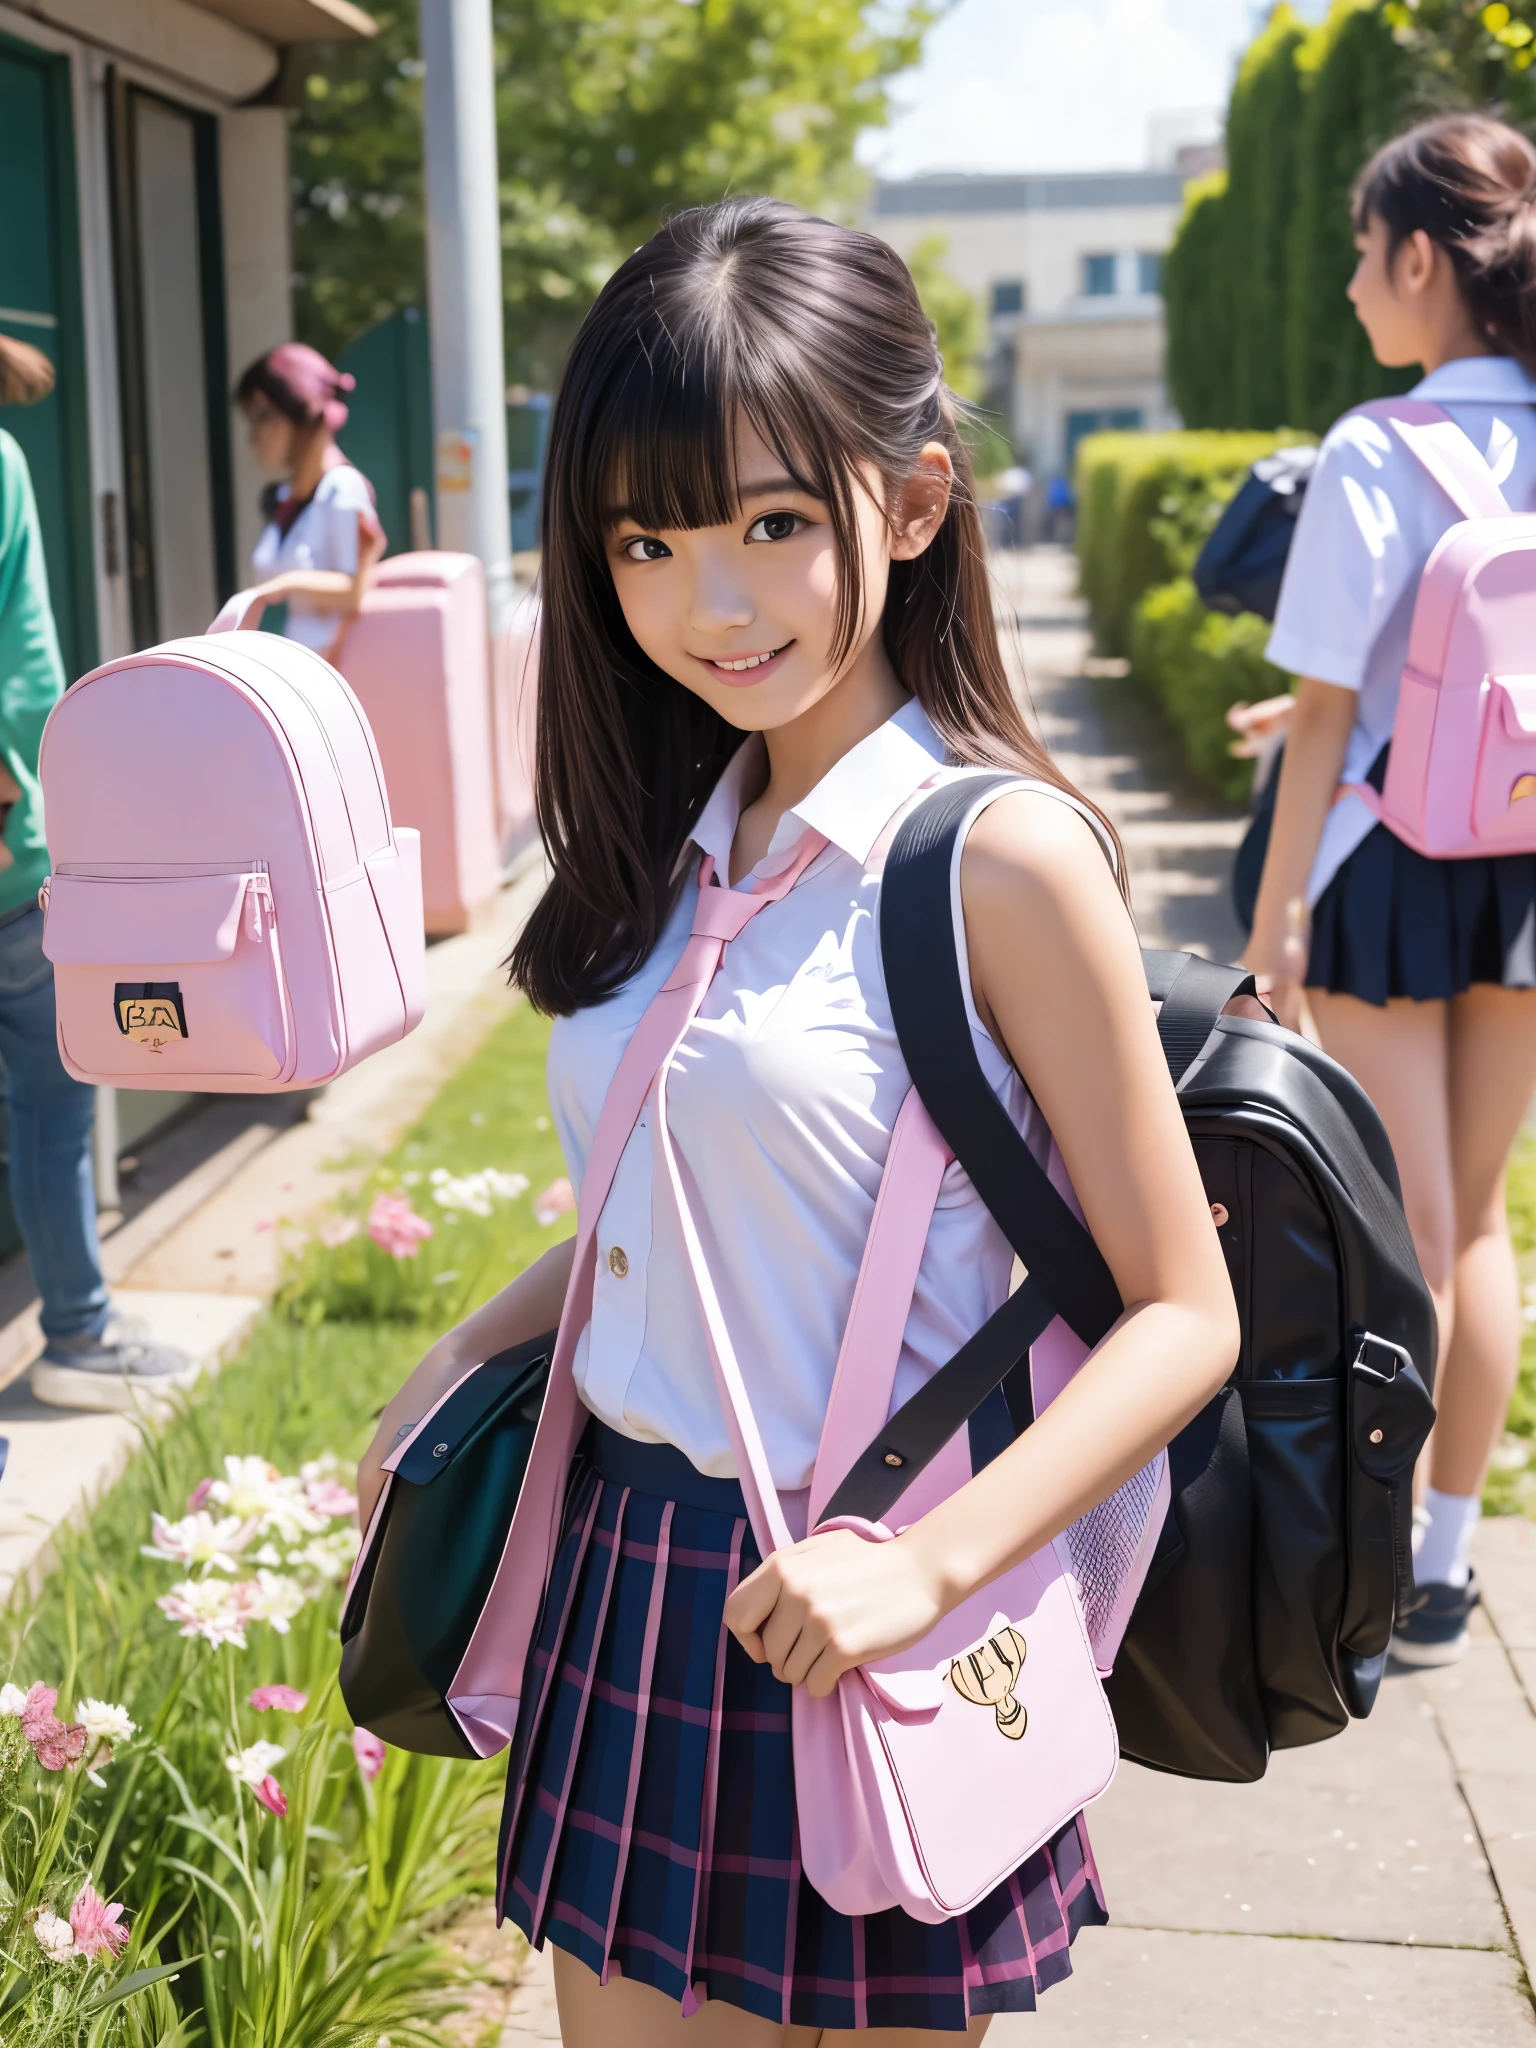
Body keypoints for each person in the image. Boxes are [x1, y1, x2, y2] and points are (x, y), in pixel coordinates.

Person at [359, 198, 1237, 2044]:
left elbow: (1182, 1310)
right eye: (649, 540)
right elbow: (662, 1194)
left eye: (773, 520)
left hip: (877, 1603)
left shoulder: (996, 858)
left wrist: (923, 1564)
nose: (714, 600)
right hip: (630, 1578)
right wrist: (469, 1348)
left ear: (911, 504)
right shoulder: (689, 847)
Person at [1246, 113, 1536, 1666]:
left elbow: (1322, 711)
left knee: (1402, 1235)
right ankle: (1438, 1565)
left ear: (1423, 257)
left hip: (1392, 874)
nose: (1361, 286)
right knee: (1474, 1222)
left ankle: (1353, 1598)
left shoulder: (1379, 446)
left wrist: (1275, 912)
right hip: (1527, 868)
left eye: (1368, 254)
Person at [0, 339, 196, 1412]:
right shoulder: (0, 464)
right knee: (51, 1104)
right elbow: (29, 675)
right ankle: (76, 1328)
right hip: (8, 856)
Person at [234, 343, 385, 658]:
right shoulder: (291, 497)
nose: (255, 435)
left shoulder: (342, 487)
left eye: (264, 416)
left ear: (301, 411)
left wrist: (289, 583)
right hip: (301, 667)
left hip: (336, 673)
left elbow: (355, 590)